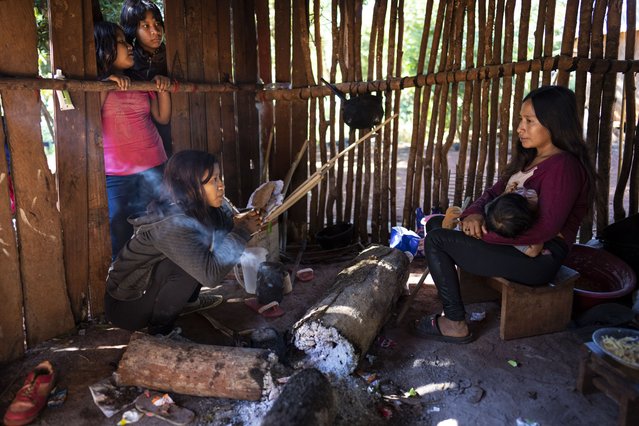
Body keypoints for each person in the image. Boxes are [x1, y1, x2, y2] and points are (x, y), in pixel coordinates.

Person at [414, 85, 596, 343]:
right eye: (521, 119)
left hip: (537, 260)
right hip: (512, 247)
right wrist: (474, 215)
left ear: (554, 123)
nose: (520, 127)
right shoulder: (529, 160)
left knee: (437, 240)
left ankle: (454, 322)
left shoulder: (563, 166)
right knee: (436, 227)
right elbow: (491, 193)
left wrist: (484, 236)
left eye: (529, 121)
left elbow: (545, 228)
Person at [104, 150, 262, 336]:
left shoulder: (204, 207)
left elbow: (227, 228)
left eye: (219, 178)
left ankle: (188, 302)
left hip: (147, 292)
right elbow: (211, 276)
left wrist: (241, 221)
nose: (221, 186)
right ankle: (160, 332)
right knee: (187, 265)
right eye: (212, 181)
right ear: (189, 187)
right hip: (127, 306)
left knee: (196, 253)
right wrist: (243, 231)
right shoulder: (171, 224)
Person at [94, 21, 171, 258]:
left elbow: (162, 117)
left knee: (159, 227)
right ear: (104, 48)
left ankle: (158, 285)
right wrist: (106, 85)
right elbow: (88, 122)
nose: (128, 46)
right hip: (117, 175)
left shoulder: (138, 80)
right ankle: (122, 287)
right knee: (119, 231)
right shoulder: (96, 85)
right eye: (120, 42)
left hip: (155, 165)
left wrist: (162, 88)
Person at [120, 0, 173, 157]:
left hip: (172, 132)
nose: (155, 31)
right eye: (146, 26)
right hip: (136, 138)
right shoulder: (126, 60)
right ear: (133, 30)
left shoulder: (173, 56)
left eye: (157, 24)